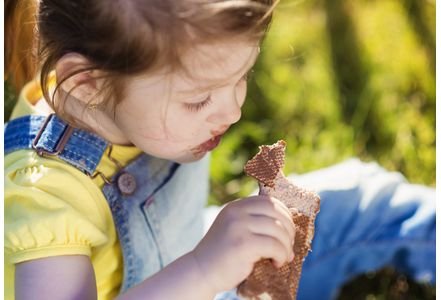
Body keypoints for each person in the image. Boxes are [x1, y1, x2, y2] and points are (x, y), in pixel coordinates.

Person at [4, 1, 435, 300]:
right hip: (198, 271)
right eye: (199, 99)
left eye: (244, 74)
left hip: (198, 254)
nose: (232, 110)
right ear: (88, 84)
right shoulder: (45, 198)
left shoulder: (135, 95)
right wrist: (203, 270)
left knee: (357, 199)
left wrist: (213, 258)